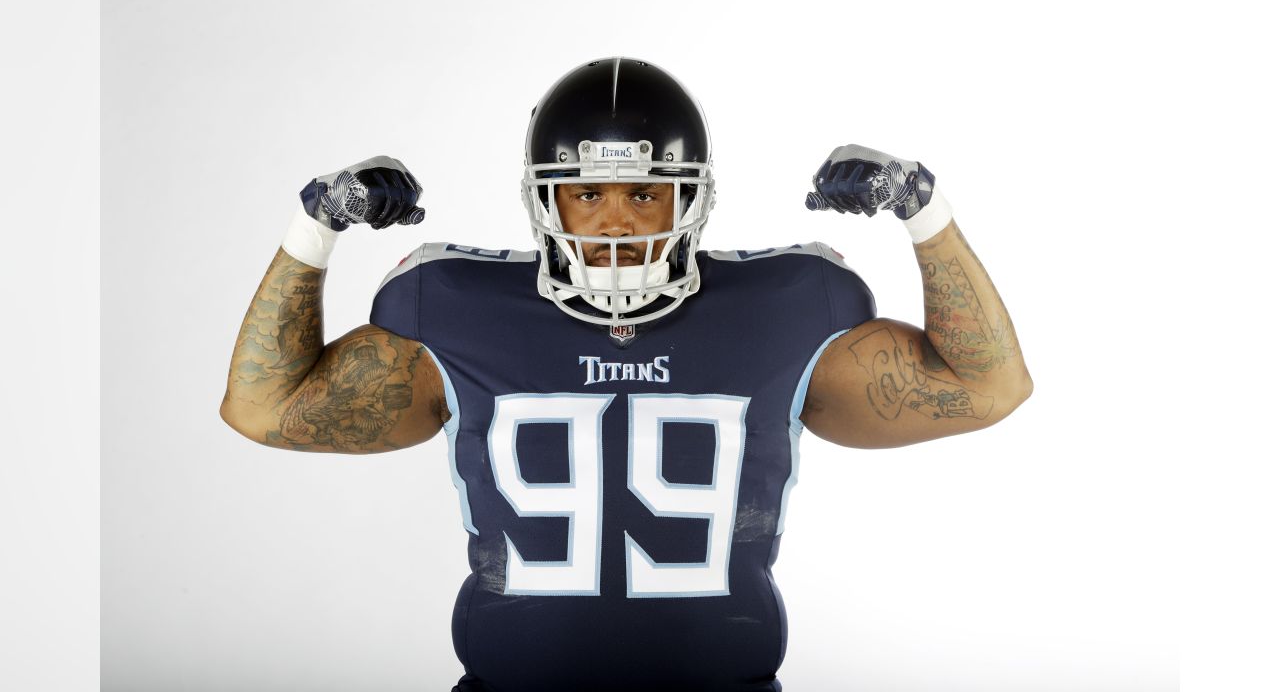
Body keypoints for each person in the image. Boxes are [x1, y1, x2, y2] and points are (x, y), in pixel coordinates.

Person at [219, 57, 1032, 692]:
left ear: (693, 200)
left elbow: (988, 388)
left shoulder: (785, 307)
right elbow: (263, 407)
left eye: (646, 192)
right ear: (546, 204)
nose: (614, 218)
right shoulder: (455, 309)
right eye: (586, 192)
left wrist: (923, 208)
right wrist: (317, 223)